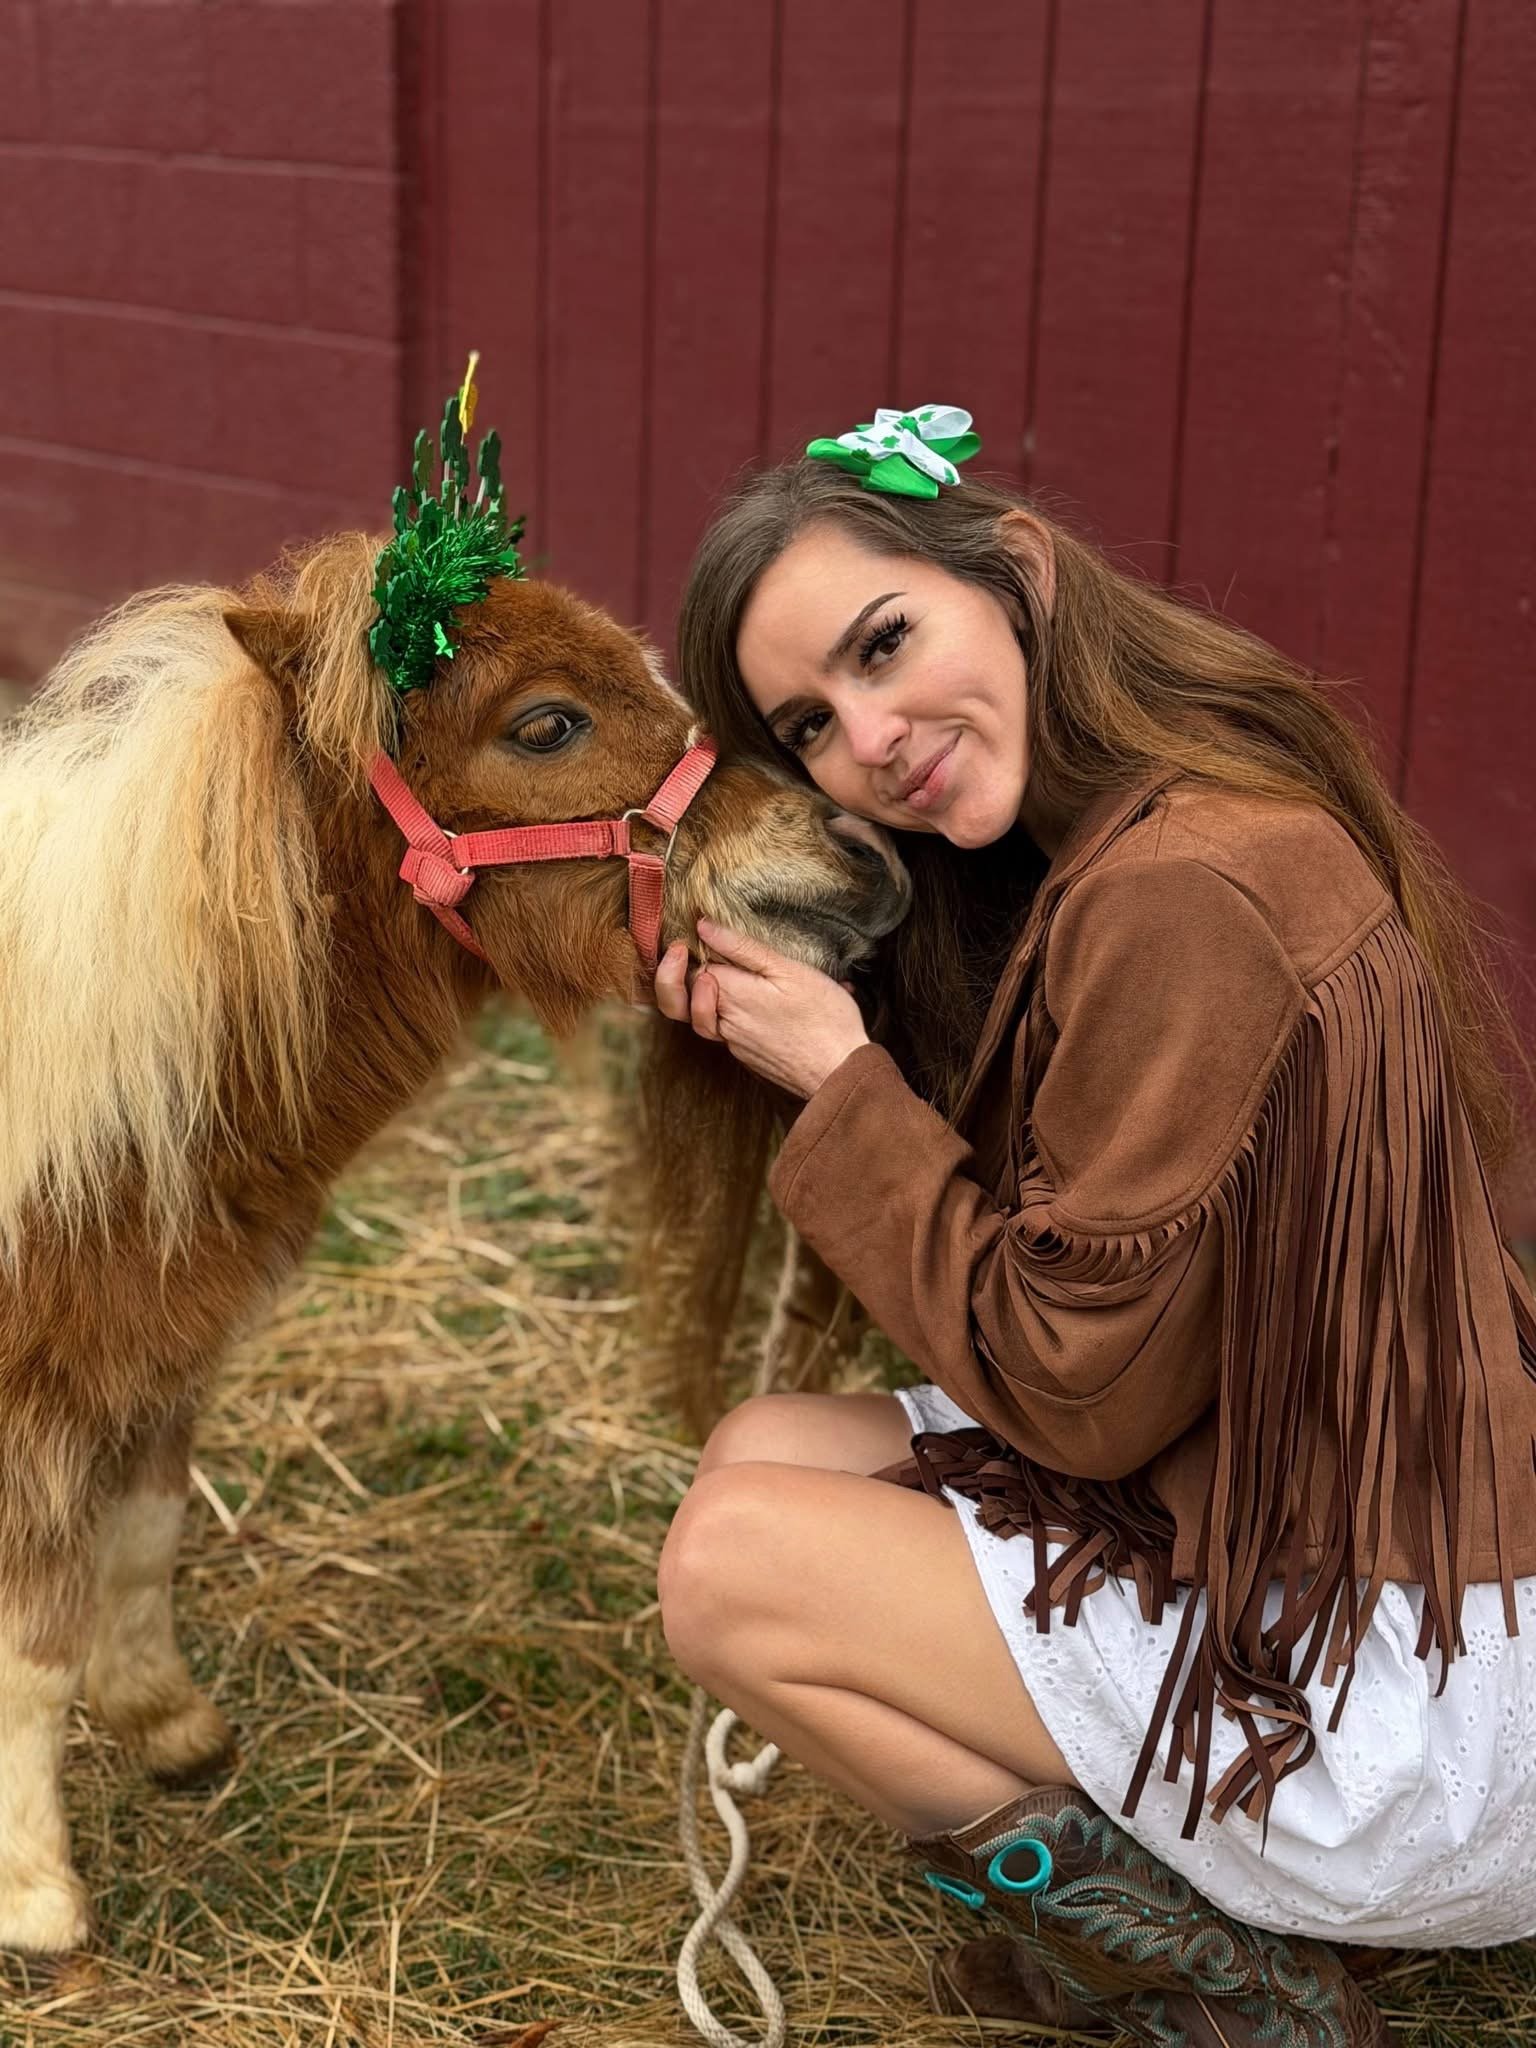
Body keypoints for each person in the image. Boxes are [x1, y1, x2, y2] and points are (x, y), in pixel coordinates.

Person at [651, 407, 1536, 2046]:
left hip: (1407, 1708)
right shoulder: (1138, 827)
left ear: (1019, 573)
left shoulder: (1183, 890)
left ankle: (1209, 1977)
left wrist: (840, 1083)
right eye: (813, 724)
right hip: (1333, 1532)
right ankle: (1173, 1909)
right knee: (765, 1446)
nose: (874, 734)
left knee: (728, 1573)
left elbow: (1075, 1392)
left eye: (886, 641)